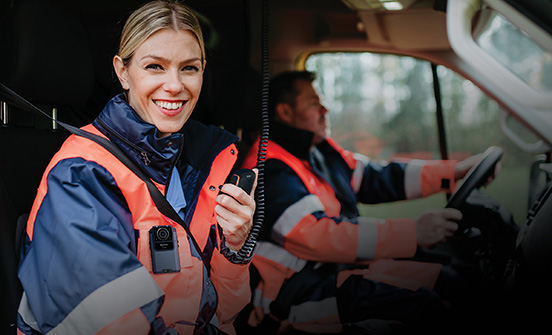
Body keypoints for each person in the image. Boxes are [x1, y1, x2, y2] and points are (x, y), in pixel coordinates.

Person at [16, 1, 257, 334]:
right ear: (122, 72)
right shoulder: (80, 175)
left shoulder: (197, 165)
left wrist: (234, 247)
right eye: (155, 67)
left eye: (189, 68)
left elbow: (218, 313)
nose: (175, 85)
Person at [241, 70, 498, 333]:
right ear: (285, 112)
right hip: (294, 295)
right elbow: (318, 236)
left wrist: (453, 172)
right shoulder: (268, 168)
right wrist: (413, 232)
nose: (325, 110)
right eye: (314, 103)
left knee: (447, 279)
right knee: (423, 305)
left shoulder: (318, 151)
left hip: (336, 270)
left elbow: (378, 178)